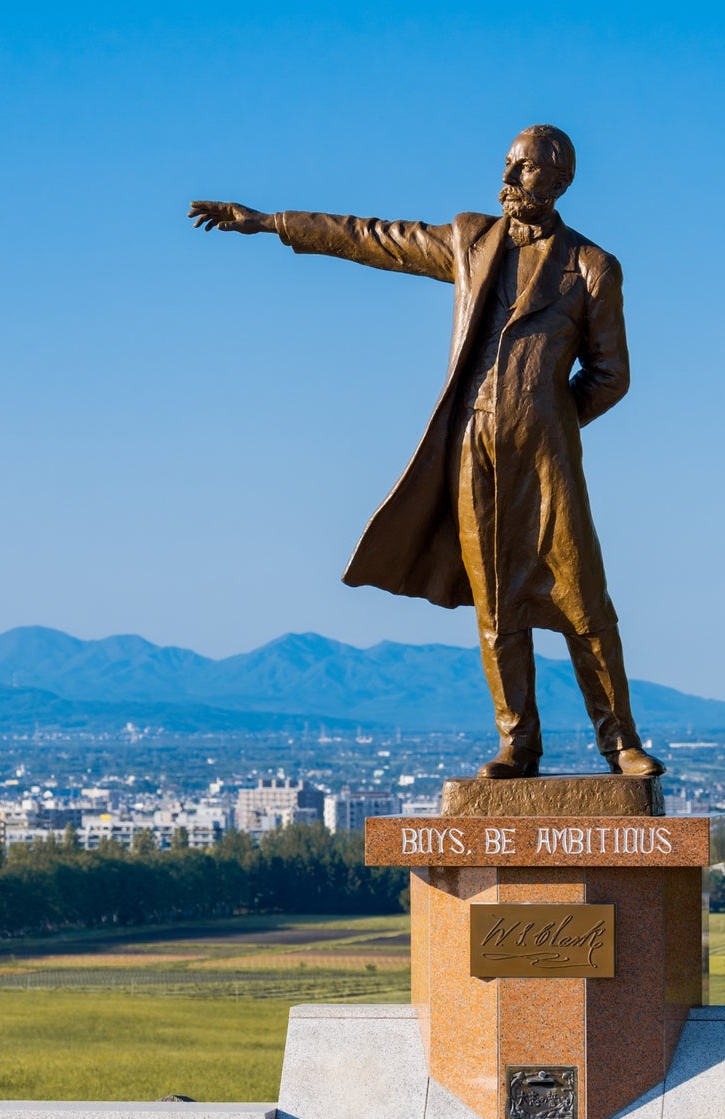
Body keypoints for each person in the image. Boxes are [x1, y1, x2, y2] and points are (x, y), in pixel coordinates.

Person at [189, 125, 663, 779]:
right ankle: (518, 744)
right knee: (495, 603)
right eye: (507, 162)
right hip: (472, 451)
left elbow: (611, 375)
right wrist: (270, 222)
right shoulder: (472, 239)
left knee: (581, 599)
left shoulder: (591, 268)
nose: (507, 174)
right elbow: (375, 238)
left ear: (554, 180)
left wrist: (548, 421)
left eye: (520, 167)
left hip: (545, 463)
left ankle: (620, 742)